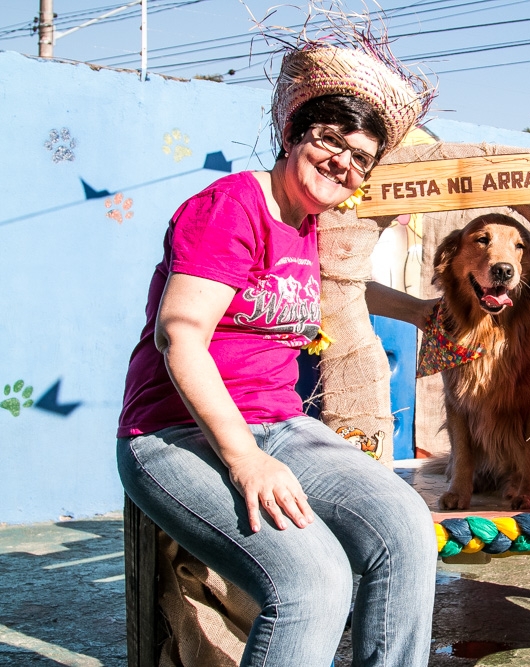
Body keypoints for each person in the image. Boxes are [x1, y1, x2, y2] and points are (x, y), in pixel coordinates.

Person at [116, 32, 437, 667]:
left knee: (404, 528)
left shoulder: (307, 225)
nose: (343, 163)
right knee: (314, 582)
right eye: (330, 141)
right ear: (293, 134)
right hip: (175, 433)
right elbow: (179, 336)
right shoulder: (232, 207)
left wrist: (422, 311)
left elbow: (341, 288)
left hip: (282, 426)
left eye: (360, 158)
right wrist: (245, 461)